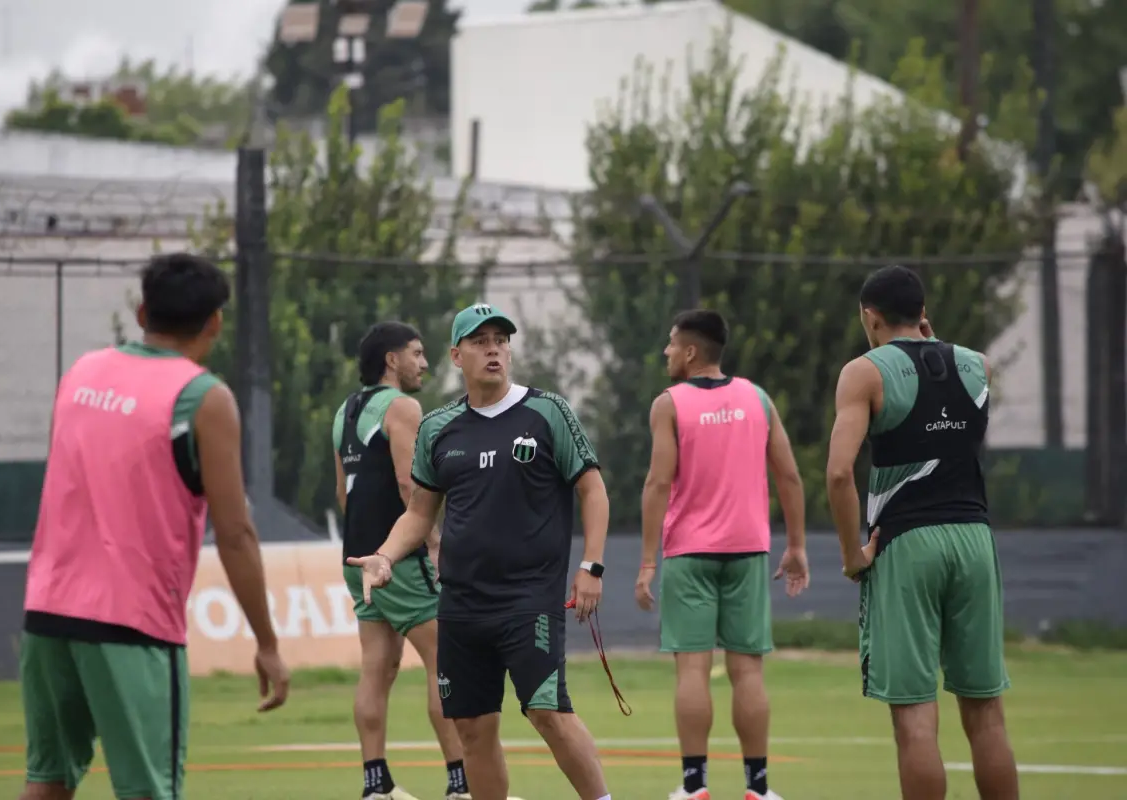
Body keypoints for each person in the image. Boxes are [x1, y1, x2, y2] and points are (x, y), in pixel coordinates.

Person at [17, 253, 291, 800]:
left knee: (46, 782)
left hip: (47, 612)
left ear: (142, 311)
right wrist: (266, 642)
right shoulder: (205, 398)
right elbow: (235, 532)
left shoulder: (81, 373)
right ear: (215, 322)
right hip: (132, 623)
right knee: (149, 791)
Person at [349, 302, 612, 800]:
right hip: (462, 604)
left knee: (547, 711)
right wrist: (385, 555)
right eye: (480, 341)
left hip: (528, 597)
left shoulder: (547, 411)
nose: (494, 349)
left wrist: (591, 566)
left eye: (501, 339)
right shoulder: (438, 428)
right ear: (456, 355)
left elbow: (593, 490)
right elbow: (420, 513)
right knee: (471, 727)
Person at [826, 265, 1018, 800]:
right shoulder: (977, 365)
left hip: (906, 543)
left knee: (914, 719)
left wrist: (852, 555)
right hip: (975, 540)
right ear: (923, 313)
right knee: (986, 714)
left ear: (871, 317)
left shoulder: (863, 372)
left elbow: (840, 472)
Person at [635, 309, 808, 800]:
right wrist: (795, 546)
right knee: (747, 670)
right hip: (748, 549)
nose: (666, 352)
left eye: (671, 344)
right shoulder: (757, 398)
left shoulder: (668, 403)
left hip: (690, 553)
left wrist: (648, 561)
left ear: (690, 352)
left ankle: (695, 788)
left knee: (692, 669)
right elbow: (790, 476)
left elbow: (658, 482)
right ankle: (758, 788)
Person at [332, 320, 471, 800]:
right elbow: (410, 485)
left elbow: (342, 494)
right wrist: (431, 540)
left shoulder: (344, 411)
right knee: (444, 662)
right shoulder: (402, 407)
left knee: (377, 666)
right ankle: (461, 784)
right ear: (392, 360)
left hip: (357, 558)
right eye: (416, 352)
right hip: (400, 559)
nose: (425, 362)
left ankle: (376, 785)